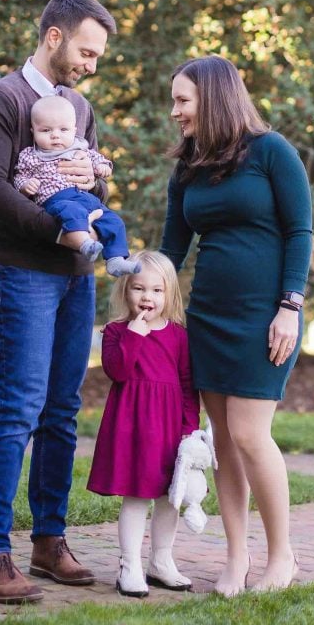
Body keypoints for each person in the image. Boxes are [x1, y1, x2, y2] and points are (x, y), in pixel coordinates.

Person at [0, 0, 116, 604]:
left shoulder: (79, 106)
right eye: (86, 50)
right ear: (54, 37)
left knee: (61, 411)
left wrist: (94, 185)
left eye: (98, 55)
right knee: (19, 408)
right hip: (24, 272)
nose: (91, 64)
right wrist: (56, 226)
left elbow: (89, 179)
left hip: (77, 278)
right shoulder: (1, 99)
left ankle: (49, 541)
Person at [160, 56, 312, 595]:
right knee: (223, 439)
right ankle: (236, 558)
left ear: (214, 97)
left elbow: (300, 233)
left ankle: (282, 556)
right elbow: (171, 249)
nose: (175, 111)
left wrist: (289, 307)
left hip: (265, 317)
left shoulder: (271, 152)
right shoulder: (189, 168)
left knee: (250, 434)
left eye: (183, 100)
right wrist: (141, 285)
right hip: (207, 317)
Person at [87, 250, 200, 598]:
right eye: (138, 289)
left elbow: (186, 384)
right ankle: (130, 565)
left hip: (168, 428)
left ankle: (161, 561)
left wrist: (189, 430)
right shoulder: (117, 332)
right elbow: (117, 371)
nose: (147, 298)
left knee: (170, 497)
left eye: (156, 290)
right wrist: (135, 335)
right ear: (125, 291)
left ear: (169, 294)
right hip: (132, 425)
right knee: (137, 497)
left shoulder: (179, 335)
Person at [14, 95, 141, 277]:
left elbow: (99, 160)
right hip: (56, 199)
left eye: (63, 129)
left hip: (87, 199)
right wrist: (25, 185)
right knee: (72, 212)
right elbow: (20, 175)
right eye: (46, 130)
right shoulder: (31, 155)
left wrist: (102, 167)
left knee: (113, 220)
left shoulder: (80, 149)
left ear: (74, 131)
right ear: (33, 131)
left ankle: (116, 260)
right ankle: (85, 244)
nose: (55, 135)